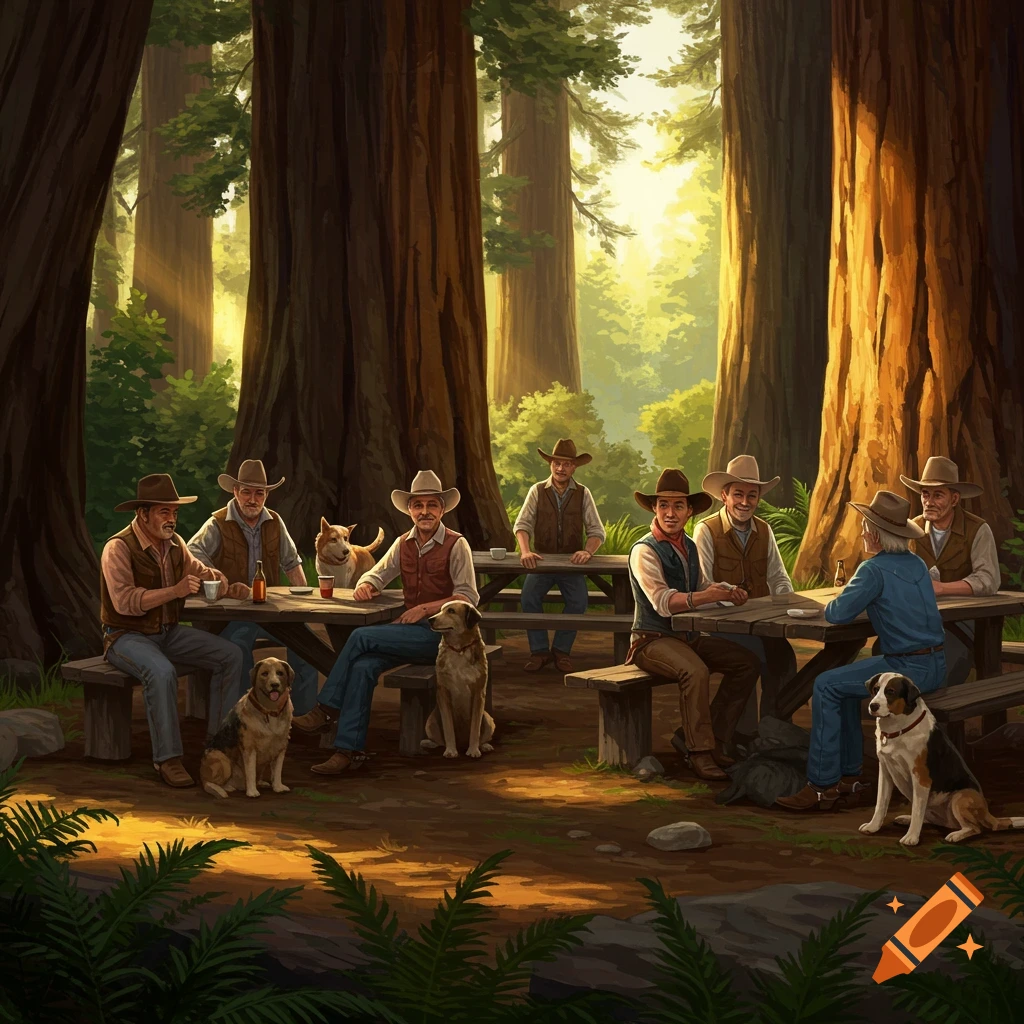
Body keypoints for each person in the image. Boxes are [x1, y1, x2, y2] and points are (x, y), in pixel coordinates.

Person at [292, 471, 479, 774]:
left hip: (445, 640)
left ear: (442, 509)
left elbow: (468, 597)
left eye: (431, 505)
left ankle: (324, 710)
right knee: (363, 666)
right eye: (418, 506)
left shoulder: (457, 544)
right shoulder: (403, 543)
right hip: (410, 634)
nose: (425, 512)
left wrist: (425, 609)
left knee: (361, 637)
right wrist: (367, 584)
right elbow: (376, 573)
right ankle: (348, 751)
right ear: (410, 511)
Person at [777, 491, 946, 811]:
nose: (862, 533)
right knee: (844, 684)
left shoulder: (873, 569)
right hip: (935, 665)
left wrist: (850, 598)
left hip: (906, 669)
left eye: (866, 527)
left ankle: (821, 785)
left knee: (825, 685)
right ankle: (850, 777)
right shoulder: (917, 563)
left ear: (877, 535)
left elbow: (837, 613)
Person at [100, 474, 246, 788]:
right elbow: (125, 603)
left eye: (175, 512)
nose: (172, 519)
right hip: (125, 636)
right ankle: (167, 759)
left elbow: (204, 573)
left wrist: (225, 585)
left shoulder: (176, 545)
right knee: (162, 672)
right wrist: (175, 591)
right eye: (164, 511)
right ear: (143, 514)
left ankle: (219, 747)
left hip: (168, 633)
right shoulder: (118, 548)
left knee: (231, 654)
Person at [626, 468, 761, 781]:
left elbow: (701, 587)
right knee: (695, 671)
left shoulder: (689, 546)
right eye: (663, 505)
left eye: (678, 506)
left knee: (747, 663)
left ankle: (718, 739)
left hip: (686, 637)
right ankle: (698, 751)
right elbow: (662, 602)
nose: (670, 513)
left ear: (689, 511)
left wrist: (726, 593)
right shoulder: (644, 550)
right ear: (654, 508)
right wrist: (707, 595)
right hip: (651, 640)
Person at [187, 459, 319, 715]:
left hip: (271, 612)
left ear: (266, 495)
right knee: (237, 648)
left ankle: (303, 718)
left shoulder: (275, 521)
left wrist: (303, 607)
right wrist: (221, 581)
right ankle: (240, 719)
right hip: (232, 615)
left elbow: (292, 564)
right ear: (235, 491)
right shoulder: (217, 523)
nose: (252, 499)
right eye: (246, 492)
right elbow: (192, 554)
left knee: (307, 646)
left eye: (259, 493)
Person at [695, 454, 797, 741]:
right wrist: (728, 595)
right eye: (738, 494)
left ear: (758, 499)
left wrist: (786, 605)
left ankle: (775, 730)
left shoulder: (764, 529)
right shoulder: (706, 529)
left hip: (761, 622)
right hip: (721, 623)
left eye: (751, 495)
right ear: (724, 496)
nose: (745, 501)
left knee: (784, 658)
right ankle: (742, 734)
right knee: (752, 658)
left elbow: (779, 577)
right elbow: (702, 582)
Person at [901, 456, 1000, 687]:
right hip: (919, 622)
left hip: (961, 624)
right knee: (887, 655)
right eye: (925, 494)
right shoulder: (912, 529)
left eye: (938, 495)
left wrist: (942, 589)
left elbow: (988, 579)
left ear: (954, 499)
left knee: (945, 669)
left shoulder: (977, 529)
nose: (929, 502)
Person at [513, 438, 606, 673]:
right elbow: (522, 525)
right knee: (528, 598)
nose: (560, 468)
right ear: (550, 465)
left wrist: (587, 551)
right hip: (542, 561)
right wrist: (525, 551)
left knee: (578, 602)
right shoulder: (537, 490)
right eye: (556, 463)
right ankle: (539, 652)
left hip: (571, 564)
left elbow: (597, 531)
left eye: (566, 464)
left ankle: (561, 651)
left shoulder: (584, 493)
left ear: (574, 467)